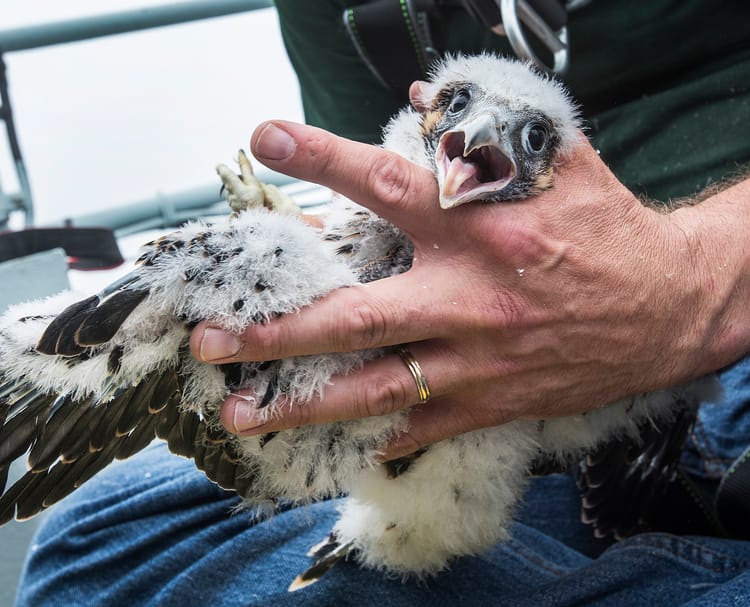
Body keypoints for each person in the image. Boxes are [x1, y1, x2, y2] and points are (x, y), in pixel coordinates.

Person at [16, 2, 750, 605]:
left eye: (526, 136)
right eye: (458, 107)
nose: (483, 131)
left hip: (726, 336)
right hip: (503, 390)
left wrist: (690, 285)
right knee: (97, 537)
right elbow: (383, 209)